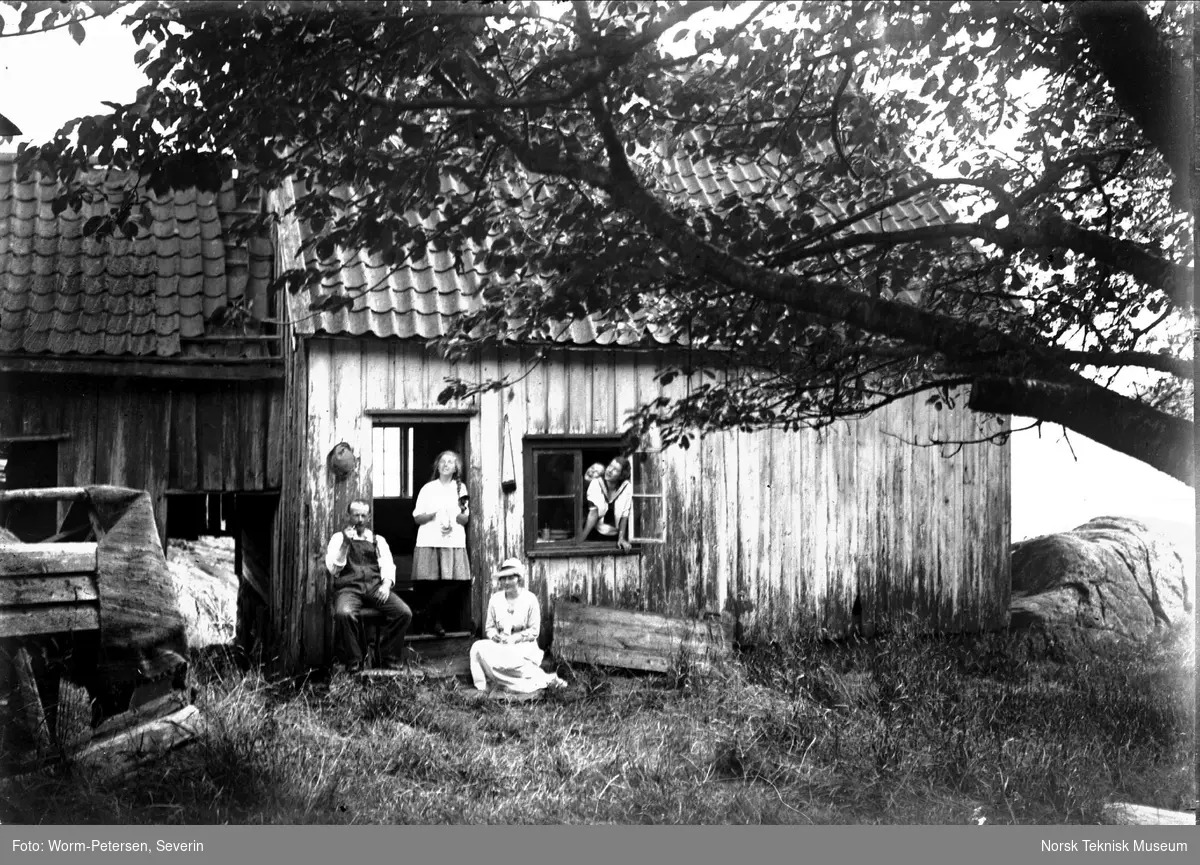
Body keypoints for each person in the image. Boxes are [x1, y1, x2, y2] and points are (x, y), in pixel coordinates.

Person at [326, 500, 412, 672]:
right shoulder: (338, 539)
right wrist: (345, 544)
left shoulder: (377, 540)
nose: (359, 519)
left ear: (369, 517)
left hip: (374, 587)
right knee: (344, 613)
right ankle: (354, 660)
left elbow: (388, 565)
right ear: (348, 516)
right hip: (348, 589)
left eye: (363, 515)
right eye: (356, 515)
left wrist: (386, 585)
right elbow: (333, 569)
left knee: (403, 613)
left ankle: (388, 657)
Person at [469, 558, 564, 694]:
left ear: (518, 579)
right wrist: (494, 636)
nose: (506, 582)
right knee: (477, 647)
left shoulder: (530, 599)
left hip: (524, 645)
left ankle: (531, 680)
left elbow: (534, 631)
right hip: (501, 643)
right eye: (503, 578)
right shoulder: (495, 599)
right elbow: (489, 628)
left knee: (511, 659)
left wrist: (516, 638)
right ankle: (483, 687)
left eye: (510, 578)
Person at [412, 450, 471, 636]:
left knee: (454, 582)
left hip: (453, 542)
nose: (446, 465)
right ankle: (435, 622)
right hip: (429, 540)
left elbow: (464, 520)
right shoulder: (428, 488)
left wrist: (458, 514)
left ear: (456, 468)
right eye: (443, 461)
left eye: (450, 462)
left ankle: (426, 615)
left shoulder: (461, 489)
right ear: (437, 466)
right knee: (431, 583)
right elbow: (417, 518)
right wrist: (432, 515)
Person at [578, 456, 632, 550]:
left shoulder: (627, 487)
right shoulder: (596, 484)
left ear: (621, 475)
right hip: (595, 534)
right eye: (610, 466)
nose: (610, 470)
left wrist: (621, 538)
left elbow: (624, 515)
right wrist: (581, 539)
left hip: (616, 537)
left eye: (615, 470)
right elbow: (593, 514)